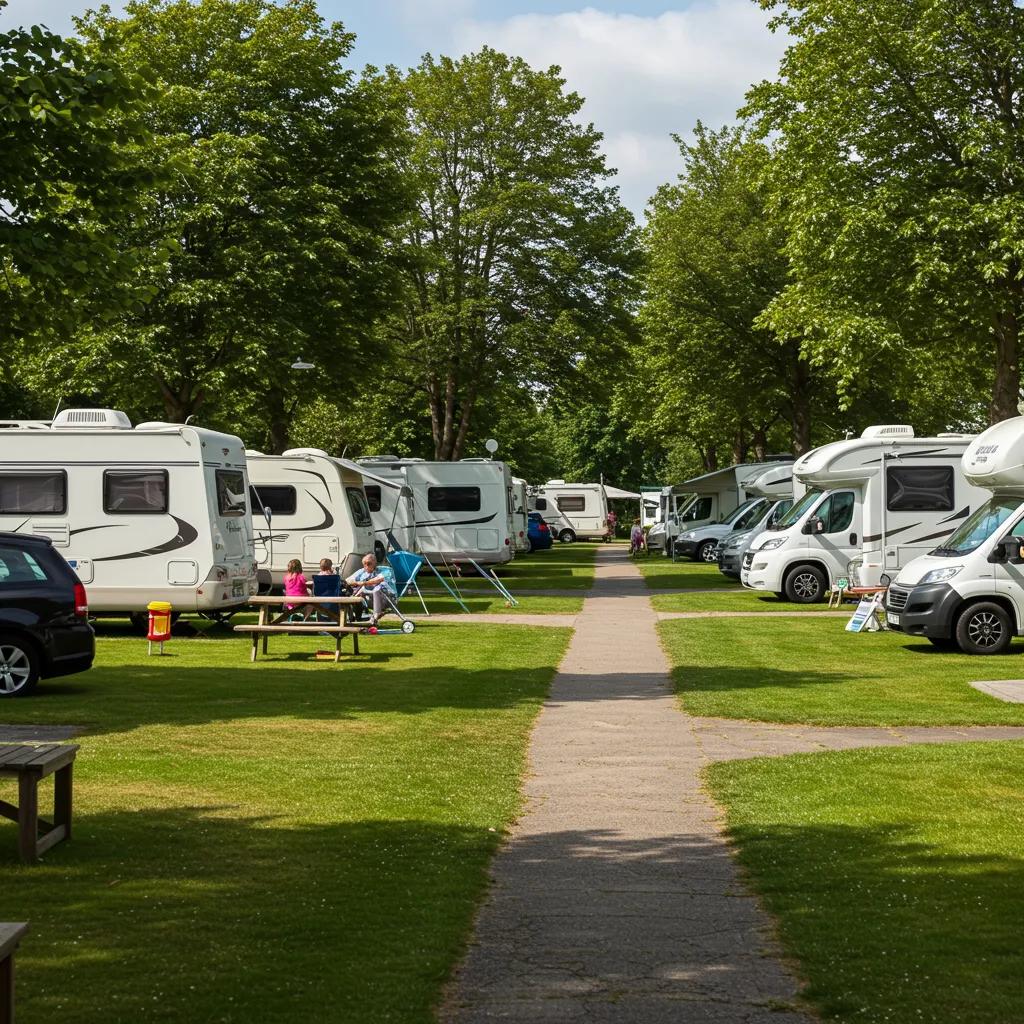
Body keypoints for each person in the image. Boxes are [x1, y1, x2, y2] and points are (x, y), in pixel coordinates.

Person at [346, 553, 397, 626]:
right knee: (352, 592)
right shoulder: (362, 571)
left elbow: (378, 579)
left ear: (375, 562)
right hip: (369, 600)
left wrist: (363, 583)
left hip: (387, 598)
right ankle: (355, 618)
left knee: (377, 589)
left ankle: (375, 618)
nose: (366, 565)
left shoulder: (386, 570)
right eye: (364, 563)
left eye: (369, 563)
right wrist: (356, 583)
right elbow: (348, 580)